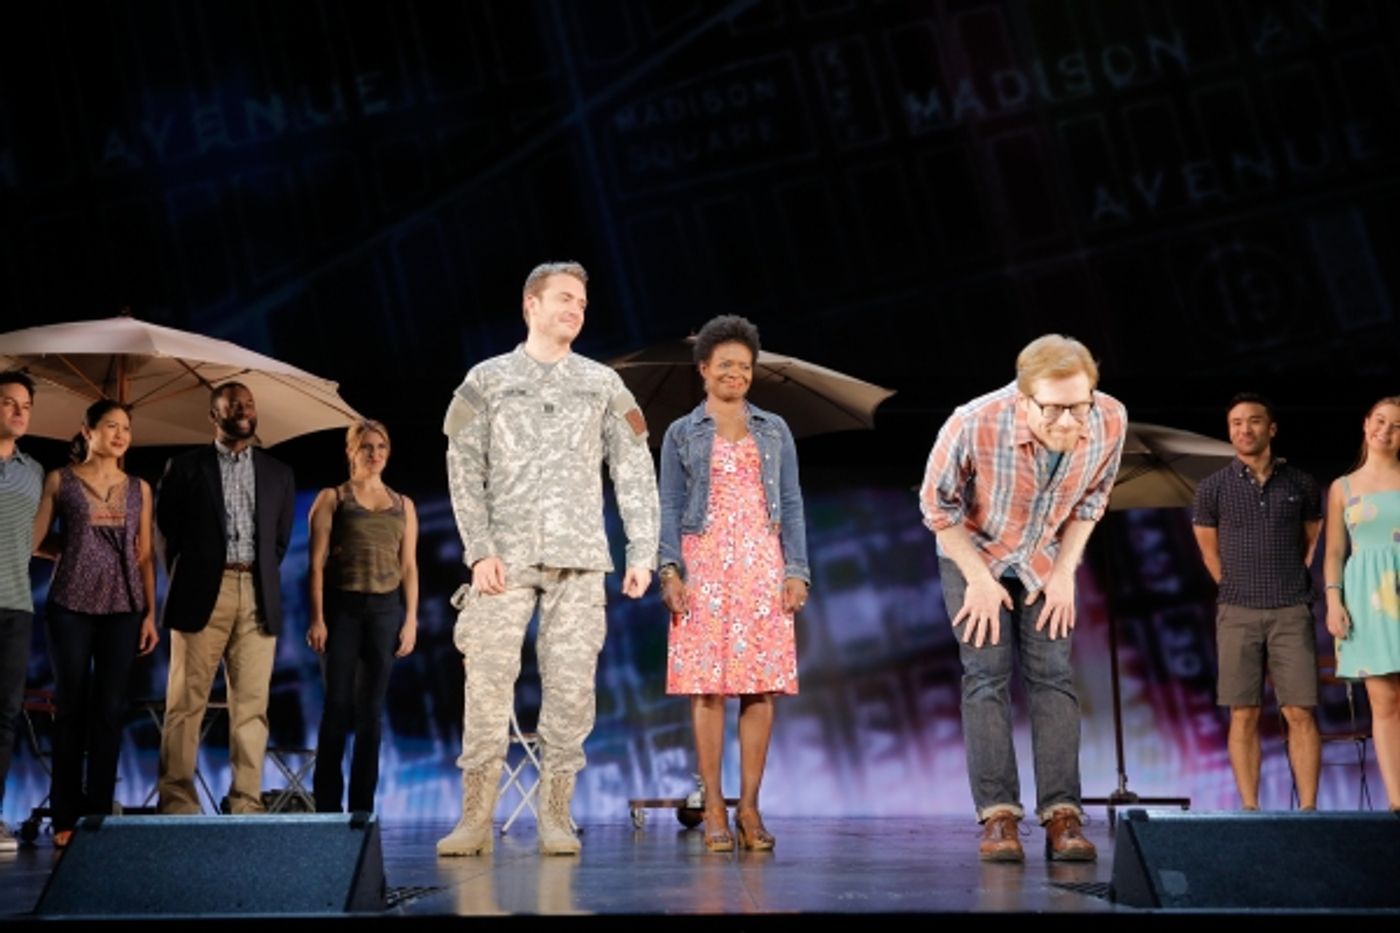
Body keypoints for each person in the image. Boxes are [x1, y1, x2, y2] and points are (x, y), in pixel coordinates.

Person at [438, 260, 659, 857]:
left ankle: (556, 813)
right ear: (530, 304)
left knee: (570, 689)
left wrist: (641, 549)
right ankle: (475, 816)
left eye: (582, 303)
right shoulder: (486, 379)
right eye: (564, 298)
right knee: (486, 681)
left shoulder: (602, 384)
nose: (575, 310)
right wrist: (478, 549)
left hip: (579, 558)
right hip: (504, 559)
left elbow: (634, 469)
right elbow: (464, 467)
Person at [920, 334, 1126, 862]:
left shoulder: (1109, 420)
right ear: (1024, 398)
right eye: (1053, 410)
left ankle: (1063, 814)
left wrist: (1065, 573)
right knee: (986, 675)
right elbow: (936, 508)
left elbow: (1092, 502)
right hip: (975, 551)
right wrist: (979, 580)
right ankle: (999, 817)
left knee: (1054, 677)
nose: (1066, 422)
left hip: (1042, 557)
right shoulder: (973, 422)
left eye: (1077, 407)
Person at [656, 314, 809, 852]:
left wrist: (796, 570)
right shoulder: (681, 431)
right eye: (725, 365)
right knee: (707, 688)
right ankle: (715, 808)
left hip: (761, 567)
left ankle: (749, 807)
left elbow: (790, 502)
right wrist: (670, 570)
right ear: (704, 369)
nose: (736, 374)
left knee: (760, 686)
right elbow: (670, 505)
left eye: (744, 367)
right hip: (704, 566)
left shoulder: (774, 429)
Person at [155, 382, 295, 814]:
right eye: (234, 405)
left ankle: (246, 802)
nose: (244, 410)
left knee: (252, 707)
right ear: (213, 416)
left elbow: (279, 542)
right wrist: (192, 577)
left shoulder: (278, 473)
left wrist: (251, 577)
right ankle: (178, 801)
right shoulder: (183, 467)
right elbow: (167, 535)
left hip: (256, 594)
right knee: (185, 703)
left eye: (249, 404)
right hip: (202, 595)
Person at [31, 400, 160, 846]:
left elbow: (144, 554)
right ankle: (65, 815)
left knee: (109, 711)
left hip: (123, 607)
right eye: (111, 426)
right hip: (69, 604)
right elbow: (35, 540)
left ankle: (98, 815)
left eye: (126, 427)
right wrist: (68, 551)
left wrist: (150, 613)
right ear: (88, 430)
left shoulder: (139, 488)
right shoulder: (59, 480)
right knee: (71, 708)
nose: (121, 434)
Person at [1192, 393, 1323, 811]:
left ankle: (1309, 811)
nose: (1244, 430)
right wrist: (1235, 589)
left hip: (1290, 609)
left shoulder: (1301, 484)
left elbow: (1311, 543)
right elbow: (1209, 553)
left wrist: (1288, 582)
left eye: (1253, 421)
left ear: (1272, 428)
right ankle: (1249, 810)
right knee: (1243, 713)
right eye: (1235, 423)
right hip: (1237, 612)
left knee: (1300, 712)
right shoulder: (1212, 488)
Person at [306, 419, 419, 813]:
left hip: (385, 611)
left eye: (381, 447)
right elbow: (316, 564)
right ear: (351, 452)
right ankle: (326, 807)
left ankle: (361, 808)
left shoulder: (403, 504)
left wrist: (411, 620)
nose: (375, 454)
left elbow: (408, 567)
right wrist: (317, 618)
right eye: (367, 447)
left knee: (371, 713)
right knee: (337, 707)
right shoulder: (333, 498)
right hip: (342, 610)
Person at [1323, 395, 1400, 811]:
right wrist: (1334, 601)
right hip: (1368, 600)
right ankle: (1397, 801)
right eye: (1380, 421)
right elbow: (1334, 552)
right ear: (1366, 423)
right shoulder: (1343, 487)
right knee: (1384, 700)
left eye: (1396, 426)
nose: (1386, 431)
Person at [0, 372, 43, 851]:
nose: (18, 411)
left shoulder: (34, 471)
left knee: (6, 715)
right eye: (9, 402)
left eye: (25, 405)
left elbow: (36, 539)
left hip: (15, 604)